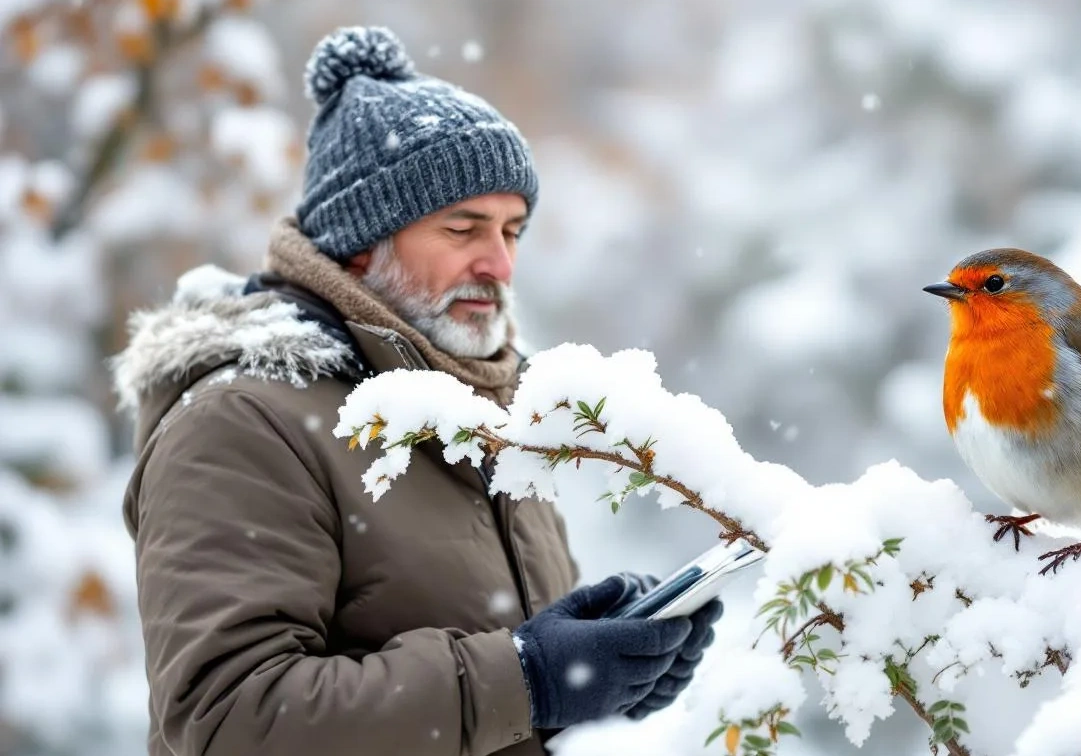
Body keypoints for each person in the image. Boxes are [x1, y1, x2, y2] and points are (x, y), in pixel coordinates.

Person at [112, 26, 721, 756]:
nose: (499, 263)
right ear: (362, 243)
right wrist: (528, 678)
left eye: (513, 231)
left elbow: (489, 707)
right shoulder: (240, 423)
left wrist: (602, 673)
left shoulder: (490, 408)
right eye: (463, 228)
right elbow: (229, 718)